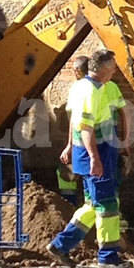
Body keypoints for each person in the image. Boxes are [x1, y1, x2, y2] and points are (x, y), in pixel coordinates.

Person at [47, 50, 132, 268]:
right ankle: (108, 259)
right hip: (96, 152)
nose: (114, 69)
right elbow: (84, 128)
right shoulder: (91, 92)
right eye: (112, 66)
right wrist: (95, 158)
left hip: (97, 151)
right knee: (107, 206)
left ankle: (60, 246)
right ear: (103, 69)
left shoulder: (85, 87)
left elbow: (77, 123)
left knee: (93, 205)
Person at [57, 55, 89, 206]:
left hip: (82, 142)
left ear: (77, 71)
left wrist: (69, 145)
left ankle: (71, 209)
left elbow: (74, 119)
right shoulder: (104, 86)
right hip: (98, 143)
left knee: (69, 176)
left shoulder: (78, 89)